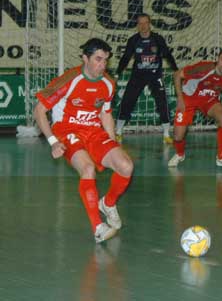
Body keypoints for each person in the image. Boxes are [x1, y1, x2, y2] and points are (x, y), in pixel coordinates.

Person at [34, 38, 134, 243]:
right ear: (85, 58)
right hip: (67, 130)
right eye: (98, 59)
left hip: (94, 132)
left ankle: (108, 203)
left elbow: (106, 114)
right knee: (87, 169)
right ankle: (98, 227)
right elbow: (39, 110)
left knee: (126, 166)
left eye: (105, 60)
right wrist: (53, 141)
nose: (102, 65)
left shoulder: (108, 84)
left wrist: (113, 141)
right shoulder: (69, 80)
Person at [168, 48, 222, 169]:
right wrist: (180, 97)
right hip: (189, 98)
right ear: (217, 59)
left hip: (209, 100)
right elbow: (177, 75)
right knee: (178, 136)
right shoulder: (203, 69)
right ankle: (180, 154)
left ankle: (221, 157)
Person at [114, 13, 179, 144]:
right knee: (127, 100)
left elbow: (167, 55)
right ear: (137, 26)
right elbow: (125, 58)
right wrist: (117, 74)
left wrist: (176, 70)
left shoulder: (158, 39)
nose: (143, 26)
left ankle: (166, 134)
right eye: (140, 23)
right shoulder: (133, 40)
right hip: (138, 75)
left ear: (149, 24)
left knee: (162, 102)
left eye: (145, 23)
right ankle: (118, 132)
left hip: (155, 75)